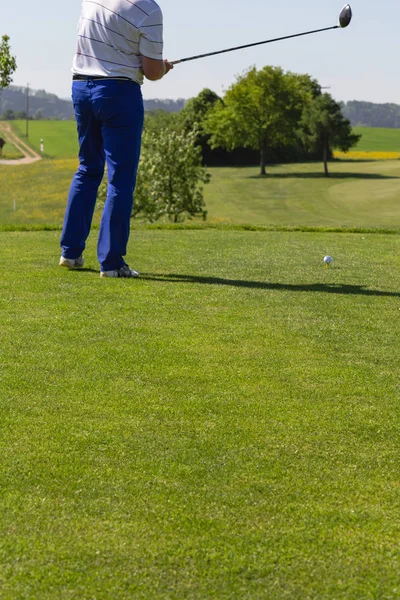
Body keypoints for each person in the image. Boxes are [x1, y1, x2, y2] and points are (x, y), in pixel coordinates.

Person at [60, 0, 173, 278]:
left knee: (88, 169)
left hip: (81, 88)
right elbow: (152, 71)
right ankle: (111, 263)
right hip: (119, 93)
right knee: (120, 179)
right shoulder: (149, 9)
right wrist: (164, 67)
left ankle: (70, 253)